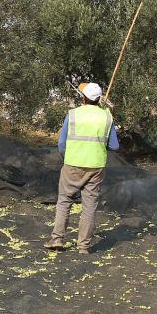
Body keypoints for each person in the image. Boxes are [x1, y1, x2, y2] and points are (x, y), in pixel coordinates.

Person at [45, 82, 119, 254]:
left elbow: (62, 143)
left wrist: (67, 158)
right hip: (96, 166)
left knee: (64, 201)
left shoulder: (73, 115)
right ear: (99, 99)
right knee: (89, 205)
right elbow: (114, 146)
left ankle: (57, 239)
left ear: (83, 97)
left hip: (72, 164)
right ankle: (83, 247)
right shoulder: (107, 117)